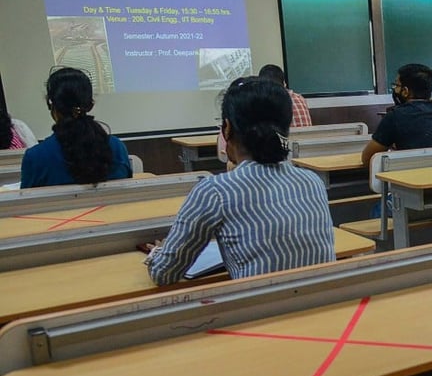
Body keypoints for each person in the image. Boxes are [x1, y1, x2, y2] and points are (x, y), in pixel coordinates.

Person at [145, 77, 335, 285]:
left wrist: (157, 252)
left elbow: (164, 274)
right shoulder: (311, 181)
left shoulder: (215, 191)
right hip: (322, 309)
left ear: (226, 128)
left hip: (259, 314)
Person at [20, 67, 131, 188]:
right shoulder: (117, 147)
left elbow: (25, 204)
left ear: (51, 105)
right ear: (90, 105)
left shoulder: (36, 156)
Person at [360, 63, 432, 167]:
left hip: (408, 178)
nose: (395, 90)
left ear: (405, 91)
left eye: (396, 86)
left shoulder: (395, 116)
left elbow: (368, 158)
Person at [257, 63, 312, 127]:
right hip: (308, 137)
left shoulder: (267, 101)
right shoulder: (300, 98)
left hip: (288, 137)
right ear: (284, 83)